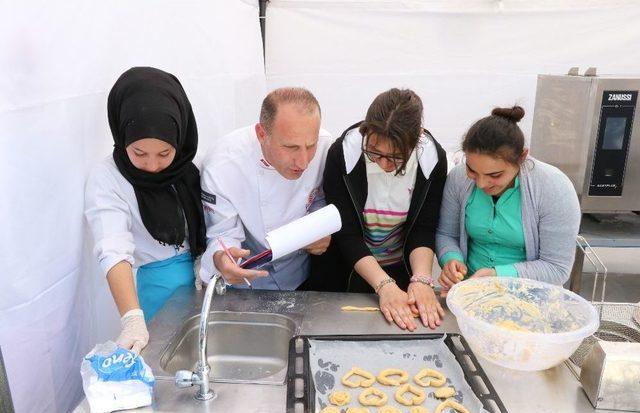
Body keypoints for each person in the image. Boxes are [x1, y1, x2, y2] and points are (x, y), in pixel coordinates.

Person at [85, 67, 206, 353]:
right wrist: (132, 319)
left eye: (164, 154)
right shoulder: (108, 177)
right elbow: (112, 248)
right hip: (158, 292)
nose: (153, 166)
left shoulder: (187, 171)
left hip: (205, 281)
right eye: (139, 153)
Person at [319, 88, 448, 331]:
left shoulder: (432, 160)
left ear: (417, 139)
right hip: (347, 270)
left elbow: (424, 227)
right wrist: (383, 285)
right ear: (366, 130)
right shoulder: (343, 155)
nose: (385, 164)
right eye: (375, 153)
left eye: (397, 157)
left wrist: (421, 279)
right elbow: (346, 233)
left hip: (400, 268)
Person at [436, 106, 581, 294]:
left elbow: (556, 268)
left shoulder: (554, 188)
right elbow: (447, 234)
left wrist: (498, 275)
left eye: (494, 175)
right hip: (469, 292)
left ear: (522, 157)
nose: (481, 184)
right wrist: (451, 259)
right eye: (472, 170)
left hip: (531, 296)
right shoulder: (458, 178)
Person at [199, 87, 332, 290]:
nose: (304, 162)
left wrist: (321, 227)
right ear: (262, 134)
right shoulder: (222, 165)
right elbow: (222, 233)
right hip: (245, 280)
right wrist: (222, 258)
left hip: (301, 276)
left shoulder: (326, 146)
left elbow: (319, 198)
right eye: (291, 147)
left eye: (310, 145)